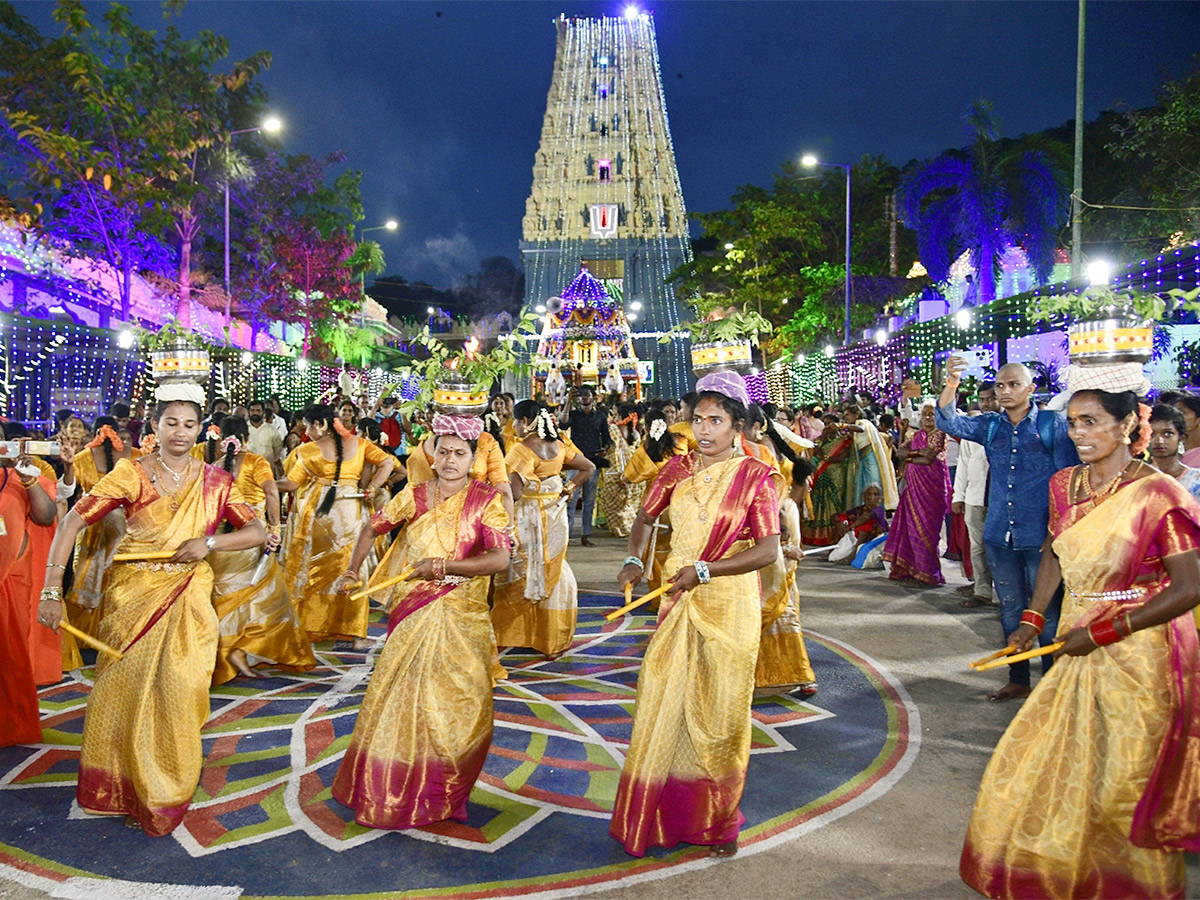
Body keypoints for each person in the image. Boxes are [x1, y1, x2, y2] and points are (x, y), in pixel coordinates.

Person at [960, 387, 1200, 899]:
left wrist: (1105, 631)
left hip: (1142, 649)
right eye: (1072, 423)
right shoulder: (1063, 483)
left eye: (1091, 422)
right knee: (1055, 763)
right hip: (1074, 633)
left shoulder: (1159, 493)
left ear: (1126, 427)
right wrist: (1030, 617)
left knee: (1125, 779)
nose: (1079, 434)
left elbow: (1189, 587)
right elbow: (1054, 551)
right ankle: (1065, 877)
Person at [37, 387, 267, 835]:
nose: (180, 432)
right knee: (122, 691)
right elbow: (71, 522)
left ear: (201, 429)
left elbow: (257, 531)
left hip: (188, 594)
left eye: (188, 424)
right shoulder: (132, 474)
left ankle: (165, 791)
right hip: (132, 595)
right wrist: (50, 588)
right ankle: (122, 789)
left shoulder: (217, 481)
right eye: (170, 423)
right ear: (155, 427)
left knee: (182, 691)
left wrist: (211, 542)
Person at [612, 372, 780, 859]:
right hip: (676, 599)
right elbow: (645, 519)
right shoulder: (675, 470)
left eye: (717, 421)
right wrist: (632, 557)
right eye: (699, 419)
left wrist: (706, 570)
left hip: (728, 604)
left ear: (739, 426)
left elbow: (768, 549)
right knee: (666, 701)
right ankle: (661, 814)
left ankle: (715, 820)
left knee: (720, 713)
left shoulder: (757, 476)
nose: (704, 430)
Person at [330, 414, 509, 829]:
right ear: (432, 456)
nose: (449, 460)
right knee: (402, 697)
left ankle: (444, 788)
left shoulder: (487, 501)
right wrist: (353, 570)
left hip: (463, 617)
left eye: (459, 454)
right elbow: (371, 529)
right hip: (415, 612)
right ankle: (391, 788)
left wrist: (446, 566)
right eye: (443, 452)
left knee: (464, 702)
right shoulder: (413, 495)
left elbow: (500, 558)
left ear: (473, 459)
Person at [937, 359, 1079, 703]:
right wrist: (952, 383)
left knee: (1046, 611)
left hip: (1042, 536)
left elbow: (1067, 480)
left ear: (1031, 389)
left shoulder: (1051, 425)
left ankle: (1049, 684)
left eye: (1013, 385)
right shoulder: (989, 426)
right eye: (1000, 386)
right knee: (1011, 609)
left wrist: (1056, 530)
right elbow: (948, 420)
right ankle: (1018, 679)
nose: (1004, 392)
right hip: (1000, 532)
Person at [201, 416, 314, 684]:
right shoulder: (256, 462)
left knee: (227, 599)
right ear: (247, 438)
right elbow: (272, 492)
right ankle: (239, 649)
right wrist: (274, 529)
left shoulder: (212, 467)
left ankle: (230, 650)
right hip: (251, 538)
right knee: (270, 600)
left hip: (221, 543)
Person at [276, 404, 395, 648]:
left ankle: (312, 625)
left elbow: (289, 485)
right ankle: (357, 635)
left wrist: (263, 484)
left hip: (318, 515)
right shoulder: (360, 445)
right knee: (351, 570)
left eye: (309, 426)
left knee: (312, 571)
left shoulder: (308, 450)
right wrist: (373, 488)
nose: (307, 431)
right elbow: (388, 464)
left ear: (319, 424)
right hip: (349, 512)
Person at [492, 402, 594, 659]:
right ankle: (551, 641)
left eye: (515, 422)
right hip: (555, 515)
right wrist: (568, 489)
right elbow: (588, 467)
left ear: (525, 421)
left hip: (529, 517)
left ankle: (507, 634)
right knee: (553, 570)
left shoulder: (521, 449)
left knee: (520, 571)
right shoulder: (560, 444)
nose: (514, 427)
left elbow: (514, 492)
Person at [0, 440, 58, 748]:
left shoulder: (18, 476)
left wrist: (29, 480)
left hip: (13, 576)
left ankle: (13, 727)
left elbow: (46, 517)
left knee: (12, 653)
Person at [64, 418, 142, 637]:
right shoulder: (134, 455)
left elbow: (68, 492)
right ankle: (117, 634)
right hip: (125, 527)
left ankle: (84, 634)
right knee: (118, 578)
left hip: (88, 524)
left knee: (87, 574)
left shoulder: (82, 458)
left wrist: (68, 466)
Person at [883, 403, 951, 586]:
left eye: (932, 414)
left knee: (927, 532)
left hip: (932, 491)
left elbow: (928, 458)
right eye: (925, 414)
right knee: (911, 530)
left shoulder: (941, 434)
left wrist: (910, 455)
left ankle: (928, 575)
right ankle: (913, 571)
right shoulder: (917, 435)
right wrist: (915, 453)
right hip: (913, 489)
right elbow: (900, 453)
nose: (928, 418)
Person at [953, 384, 997, 607]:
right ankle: (982, 591)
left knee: (1000, 548)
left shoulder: (1007, 429)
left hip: (1000, 499)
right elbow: (963, 464)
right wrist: (957, 496)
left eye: (991, 399)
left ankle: (1005, 594)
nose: (987, 404)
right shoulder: (973, 430)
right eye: (983, 400)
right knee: (977, 547)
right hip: (974, 497)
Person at [558, 385, 610, 546]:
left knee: (589, 500)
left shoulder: (600, 417)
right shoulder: (573, 414)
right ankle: (567, 533)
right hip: (575, 461)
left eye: (587, 395)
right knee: (570, 498)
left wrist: (605, 450)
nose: (585, 398)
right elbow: (563, 425)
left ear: (593, 397)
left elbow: (607, 438)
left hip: (593, 462)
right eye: (581, 396)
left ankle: (585, 534)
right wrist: (567, 402)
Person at [1148, 403, 1200, 503]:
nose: (1159, 441)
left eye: (1168, 434)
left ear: (1181, 438)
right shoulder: (1137, 478)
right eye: (1152, 434)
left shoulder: (1196, 479)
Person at [246, 400, 284, 474]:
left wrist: (271, 461)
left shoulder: (271, 429)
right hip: (248, 470)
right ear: (248, 412)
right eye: (252, 410)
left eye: (258, 410)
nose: (255, 413)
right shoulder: (243, 429)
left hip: (267, 470)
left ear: (263, 412)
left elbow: (278, 449)